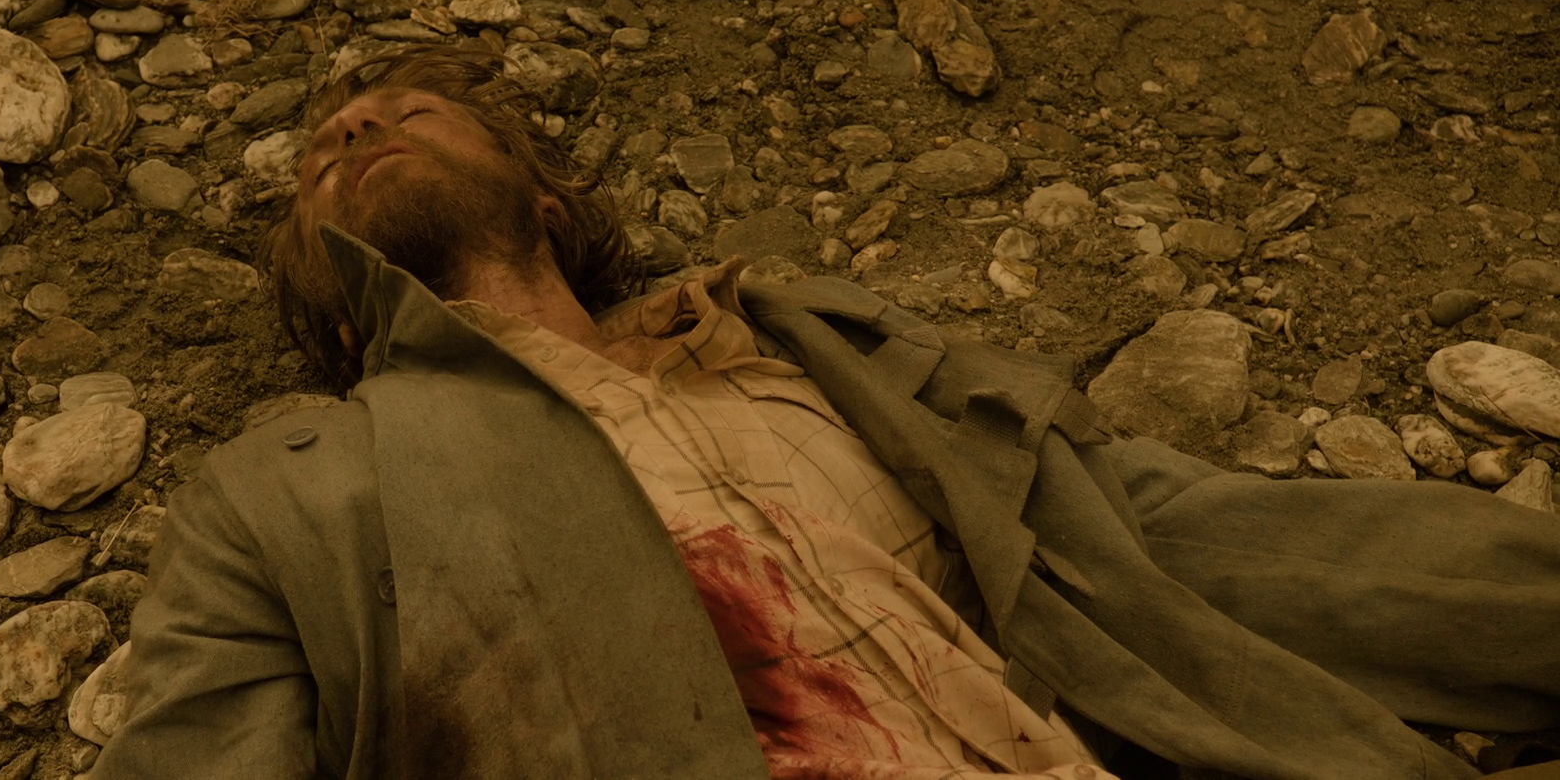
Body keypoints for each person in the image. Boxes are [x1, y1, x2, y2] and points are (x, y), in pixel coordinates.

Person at [91, 45, 1560, 780]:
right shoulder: (284, 499)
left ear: (549, 205)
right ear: (342, 316)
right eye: (322, 161)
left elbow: (1158, 538)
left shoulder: (805, 346)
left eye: (408, 111)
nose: (354, 123)